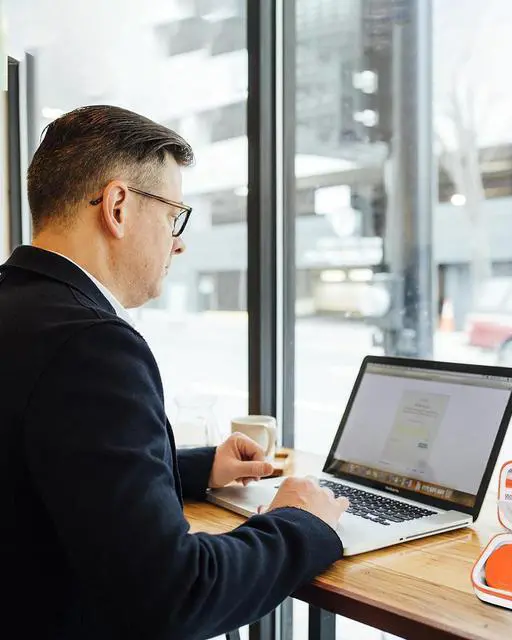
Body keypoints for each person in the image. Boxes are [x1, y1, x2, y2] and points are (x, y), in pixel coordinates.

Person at [0, 105, 349, 639]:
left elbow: (45, 466)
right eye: (172, 216)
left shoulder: (19, 310)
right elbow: (173, 595)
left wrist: (199, 467)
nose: (178, 242)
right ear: (117, 206)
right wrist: (302, 522)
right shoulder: (91, 345)